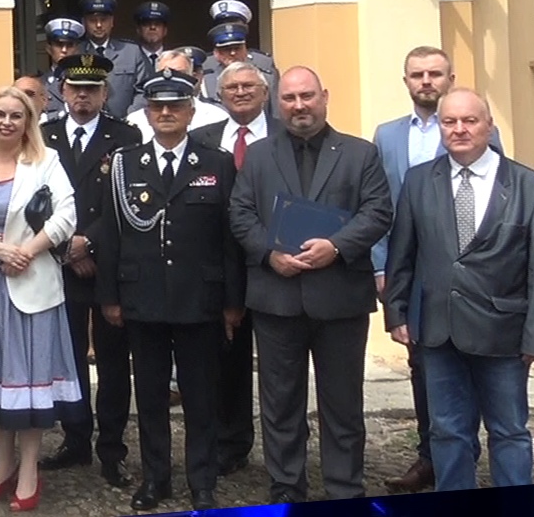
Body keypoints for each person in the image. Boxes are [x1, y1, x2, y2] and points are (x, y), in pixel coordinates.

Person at [227, 67, 392, 503]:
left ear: (324, 97)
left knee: (343, 404)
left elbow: (378, 211)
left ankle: (345, 488)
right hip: (276, 297)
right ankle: (286, 488)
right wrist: (269, 254)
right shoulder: (258, 156)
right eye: (289, 98)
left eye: (307, 96)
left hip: (339, 298)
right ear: (277, 103)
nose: (299, 106)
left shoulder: (360, 153)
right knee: (280, 405)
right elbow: (240, 213)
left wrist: (336, 247)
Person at [384, 88, 534, 492]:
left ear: (489, 126)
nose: (459, 129)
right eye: (449, 122)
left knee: (509, 431)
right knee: (447, 431)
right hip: (438, 331)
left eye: (469, 120)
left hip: (504, 335)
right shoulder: (418, 181)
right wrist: (397, 312)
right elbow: (402, 252)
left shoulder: (531, 188)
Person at [94, 71, 243, 511]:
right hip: (143, 298)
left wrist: (233, 301)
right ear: (146, 113)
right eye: (157, 106)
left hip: (200, 299)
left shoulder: (215, 163)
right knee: (151, 396)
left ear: (191, 112)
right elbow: (111, 235)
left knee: (201, 397)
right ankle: (155, 478)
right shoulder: (125, 165)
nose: (165, 113)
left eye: (174, 106)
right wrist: (109, 296)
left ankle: (202, 481)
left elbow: (229, 239)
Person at [0, 85, 83, 512]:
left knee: (27, 381)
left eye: (16, 116)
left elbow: (67, 215)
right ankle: (3, 463)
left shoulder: (46, 161)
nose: (6, 122)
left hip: (30, 281)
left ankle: (28, 470)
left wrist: (27, 250)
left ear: (28, 122)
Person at [35, 53, 139, 487]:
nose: (83, 97)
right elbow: (34, 199)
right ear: (62, 90)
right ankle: (75, 438)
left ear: (105, 93)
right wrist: (67, 247)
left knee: (113, 362)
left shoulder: (126, 136)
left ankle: (112, 449)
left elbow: (128, 199)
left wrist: (88, 242)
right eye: (76, 89)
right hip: (59, 264)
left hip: (109, 261)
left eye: (91, 90)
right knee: (69, 357)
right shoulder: (44, 136)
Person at [188, 59, 271, 476]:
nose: (240, 92)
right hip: (220, 266)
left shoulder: (286, 135)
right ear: (219, 96)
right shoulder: (201, 140)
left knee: (279, 365)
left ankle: (285, 445)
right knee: (227, 361)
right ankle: (230, 442)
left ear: (265, 93)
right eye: (232, 88)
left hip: (275, 264)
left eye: (248, 86)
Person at [123, 50, 229, 140]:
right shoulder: (136, 120)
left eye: (180, 73)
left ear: (192, 76)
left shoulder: (217, 116)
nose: (172, 79)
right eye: (165, 72)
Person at [77, 0, 144, 119]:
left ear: (112, 22)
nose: (99, 25)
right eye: (93, 20)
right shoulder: (76, 53)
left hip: (124, 122)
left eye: (103, 20)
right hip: (87, 121)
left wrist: (131, 116)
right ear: (84, 22)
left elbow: (143, 90)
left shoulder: (131, 52)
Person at [36, 20, 85, 119]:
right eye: (59, 44)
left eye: (69, 45)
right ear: (48, 48)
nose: (64, 50)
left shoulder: (85, 82)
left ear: (77, 49)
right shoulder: (39, 84)